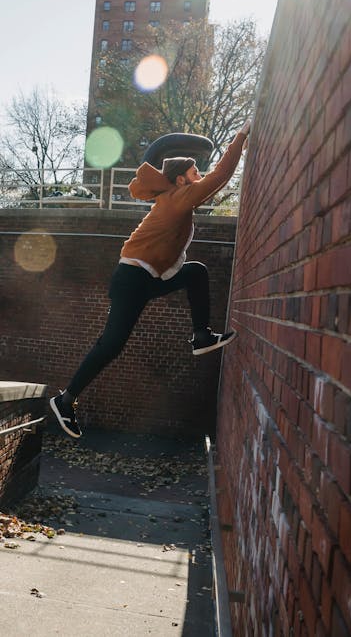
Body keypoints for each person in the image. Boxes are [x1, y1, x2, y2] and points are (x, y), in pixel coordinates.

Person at [50, 119, 251, 439]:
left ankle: (201, 337)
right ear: (182, 177)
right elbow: (220, 177)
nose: (199, 176)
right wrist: (241, 136)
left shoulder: (176, 199)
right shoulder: (178, 196)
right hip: (132, 278)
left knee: (195, 273)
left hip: (145, 278)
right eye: (195, 172)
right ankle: (65, 400)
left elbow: (211, 180)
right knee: (111, 345)